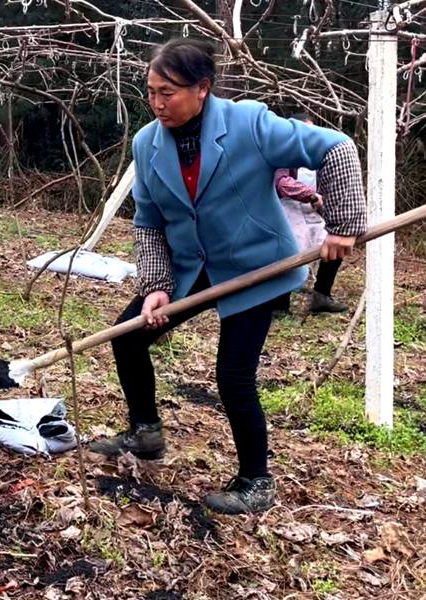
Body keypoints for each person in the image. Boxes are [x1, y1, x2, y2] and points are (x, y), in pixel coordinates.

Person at [88, 39, 366, 514]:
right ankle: (145, 432)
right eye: (151, 92)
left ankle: (257, 481)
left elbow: (336, 148)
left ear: (202, 88)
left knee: (233, 374)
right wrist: (156, 286)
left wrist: (343, 226)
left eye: (168, 93)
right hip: (192, 266)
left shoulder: (250, 124)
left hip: (256, 266)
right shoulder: (147, 143)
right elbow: (149, 223)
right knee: (129, 337)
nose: (157, 104)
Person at [271, 113, 348, 316]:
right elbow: (281, 183)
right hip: (289, 208)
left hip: (313, 211)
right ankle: (280, 304)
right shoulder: (283, 153)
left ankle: (321, 296)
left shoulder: (321, 155)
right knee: (290, 254)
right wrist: (310, 195)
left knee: (333, 249)